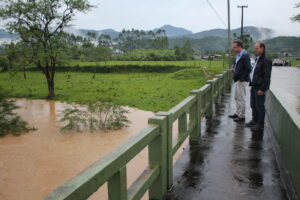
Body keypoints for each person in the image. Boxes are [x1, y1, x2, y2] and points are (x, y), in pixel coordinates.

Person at [245, 42, 272, 131]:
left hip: (259, 87)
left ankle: (260, 124)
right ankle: (254, 120)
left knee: (259, 106)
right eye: (255, 48)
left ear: (262, 49)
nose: (255, 50)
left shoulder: (266, 60)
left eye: (256, 48)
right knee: (253, 104)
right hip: (254, 86)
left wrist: (262, 89)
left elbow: (266, 76)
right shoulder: (257, 59)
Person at [229, 40, 252, 122]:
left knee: (241, 98)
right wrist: (234, 69)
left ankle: (241, 116)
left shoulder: (245, 55)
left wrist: (241, 77)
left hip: (242, 80)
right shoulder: (238, 55)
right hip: (238, 80)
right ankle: (238, 113)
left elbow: (249, 69)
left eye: (234, 47)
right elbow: (237, 66)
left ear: (239, 46)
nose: (233, 48)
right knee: (236, 97)